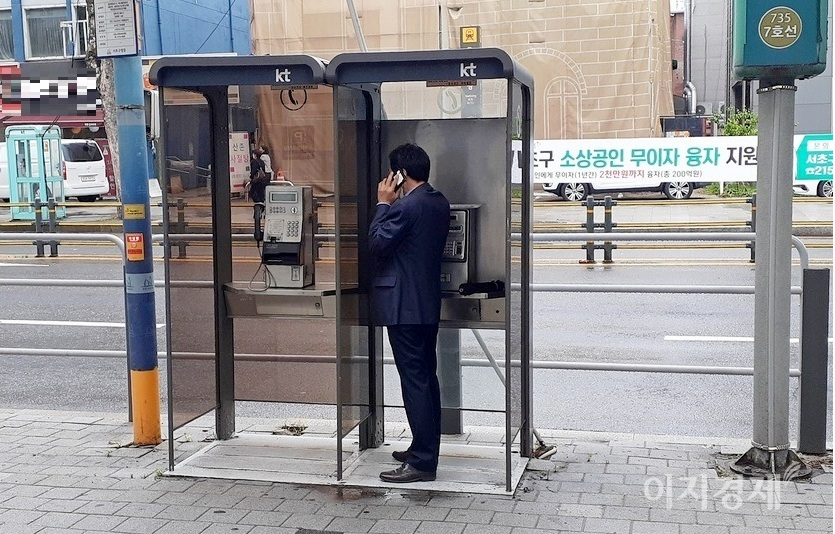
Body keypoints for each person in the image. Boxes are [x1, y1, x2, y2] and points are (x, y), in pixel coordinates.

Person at [369, 143, 451, 483]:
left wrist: (382, 204)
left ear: (400, 174)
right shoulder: (437, 201)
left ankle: (422, 462)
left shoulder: (405, 206)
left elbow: (377, 243)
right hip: (425, 303)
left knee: (415, 382)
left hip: (404, 306)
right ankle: (423, 447)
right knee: (426, 380)